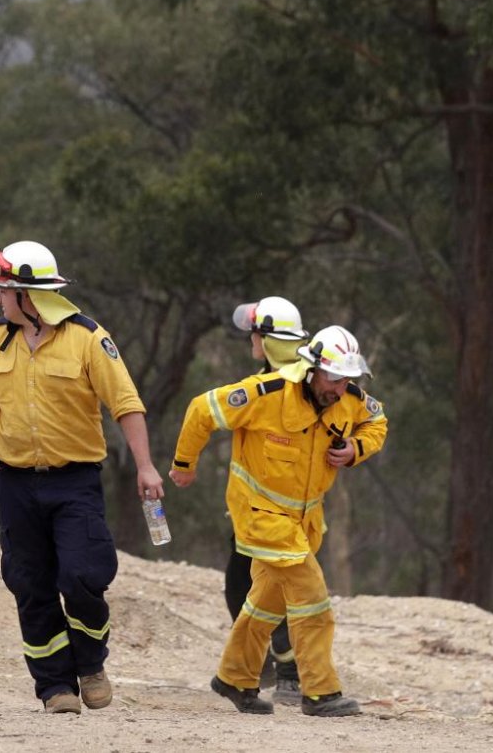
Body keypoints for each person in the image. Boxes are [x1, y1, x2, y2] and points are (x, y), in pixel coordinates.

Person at [0, 241, 164, 715]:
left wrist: (146, 465)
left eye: (3, 292)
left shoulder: (89, 339)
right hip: (13, 483)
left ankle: (90, 663)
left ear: (27, 297)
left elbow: (126, 404)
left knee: (82, 576)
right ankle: (55, 686)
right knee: (28, 583)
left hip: (73, 482)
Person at [169, 324, 388, 718]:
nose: (339, 388)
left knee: (264, 605)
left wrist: (356, 448)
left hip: (305, 520)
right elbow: (202, 409)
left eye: (348, 379)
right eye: (334, 377)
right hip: (260, 514)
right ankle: (320, 692)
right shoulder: (266, 393)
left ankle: (234, 678)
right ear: (311, 368)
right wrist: (184, 465)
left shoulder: (350, 400)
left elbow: (378, 421)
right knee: (313, 599)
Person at [225, 296, 308, 704]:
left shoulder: (305, 382)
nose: (250, 340)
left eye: (255, 334)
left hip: (288, 511)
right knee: (239, 585)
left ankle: (291, 671)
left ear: (269, 338)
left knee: (277, 587)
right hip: (251, 507)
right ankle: (266, 664)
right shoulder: (262, 379)